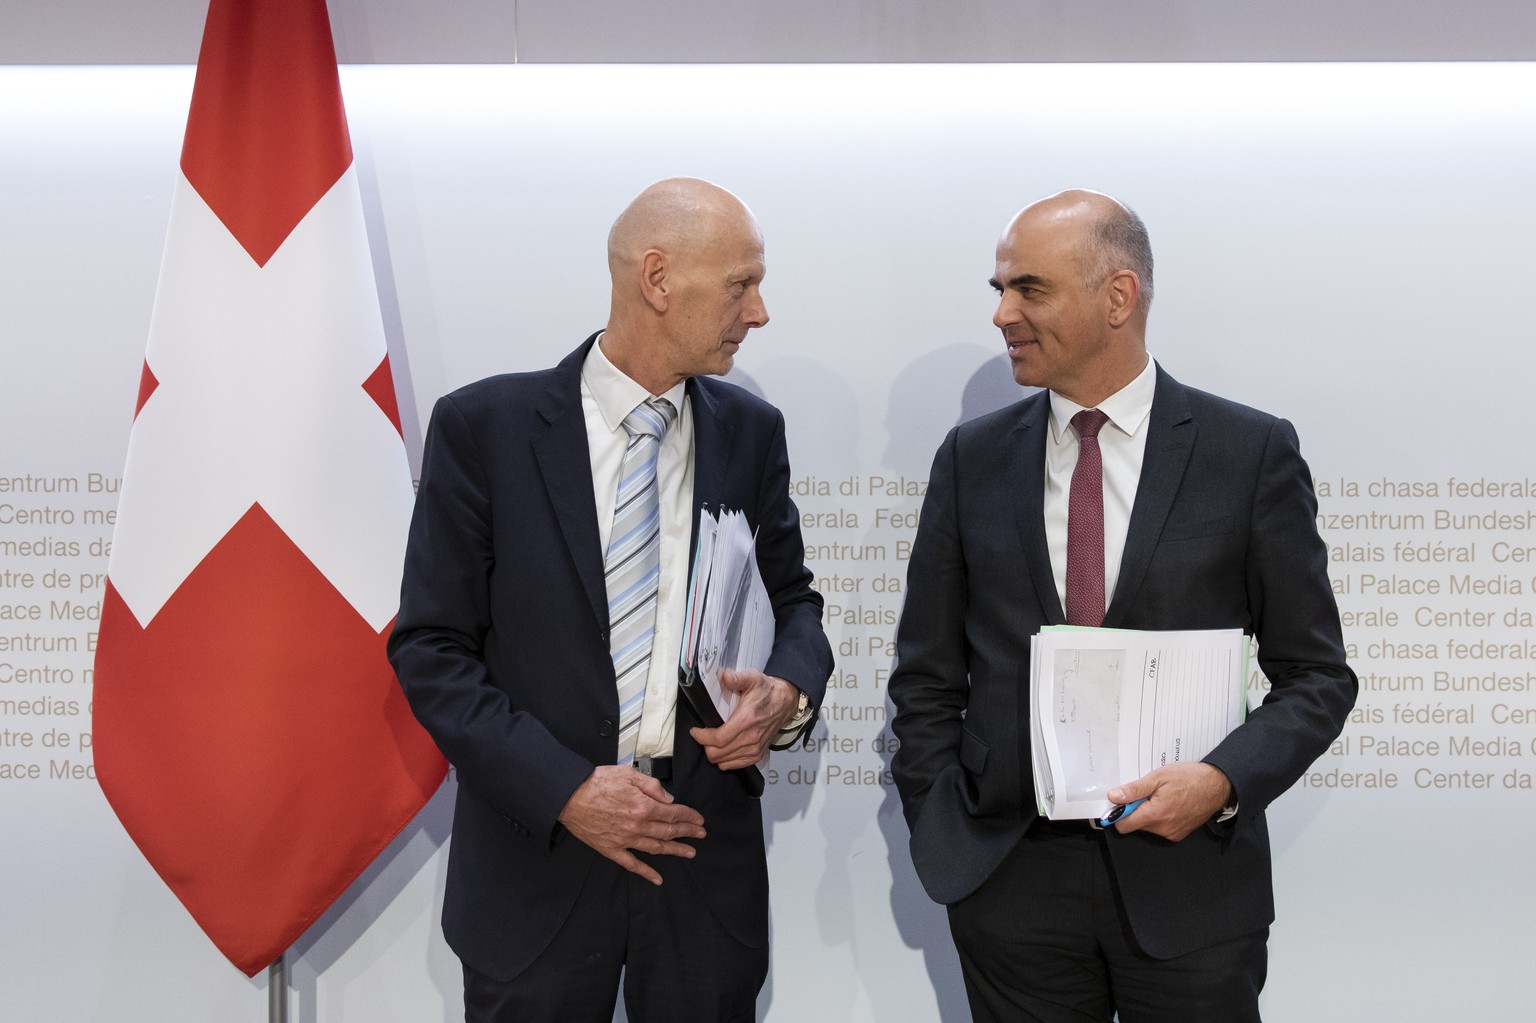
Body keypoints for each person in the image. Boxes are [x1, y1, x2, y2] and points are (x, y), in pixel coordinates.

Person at [889, 189, 1356, 1022]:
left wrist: (1220, 780)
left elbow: (1316, 674)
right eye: (998, 288)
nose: (1002, 314)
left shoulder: (1249, 452)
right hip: (1010, 886)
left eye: (1028, 288)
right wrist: (944, 824)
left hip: (1192, 886)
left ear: (1118, 295)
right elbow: (927, 677)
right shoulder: (972, 458)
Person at [389, 177, 833, 1023]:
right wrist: (565, 789)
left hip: (700, 860)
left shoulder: (750, 430)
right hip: (538, 857)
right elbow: (431, 649)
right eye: (741, 284)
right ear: (658, 280)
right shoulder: (486, 426)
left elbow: (794, 598)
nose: (760, 310)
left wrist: (788, 690)